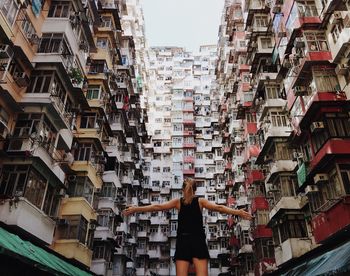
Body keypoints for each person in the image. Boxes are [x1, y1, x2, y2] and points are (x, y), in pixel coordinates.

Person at [122, 178, 253, 276]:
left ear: (182, 190)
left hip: (183, 242)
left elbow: (157, 207)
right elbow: (219, 207)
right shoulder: (200, 202)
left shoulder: (178, 202)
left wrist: (135, 209)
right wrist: (238, 212)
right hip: (198, 242)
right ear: (195, 190)